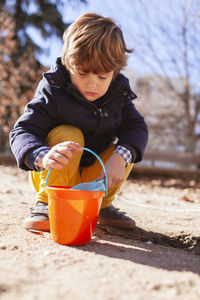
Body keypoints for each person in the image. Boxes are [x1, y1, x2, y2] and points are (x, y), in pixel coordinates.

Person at [10, 13, 148, 232]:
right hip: (54, 172)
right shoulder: (53, 89)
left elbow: (137, 128)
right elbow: (23, 130)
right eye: (82, 73)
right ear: (69, 64)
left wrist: (120, 158)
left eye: (102, 77)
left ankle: (100, 204)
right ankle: (46, 202)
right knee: (69, 134)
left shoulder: (118, 95)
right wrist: (42, 156)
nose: (92, 83)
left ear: (114, 73)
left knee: (125, 150)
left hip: (94, 177)